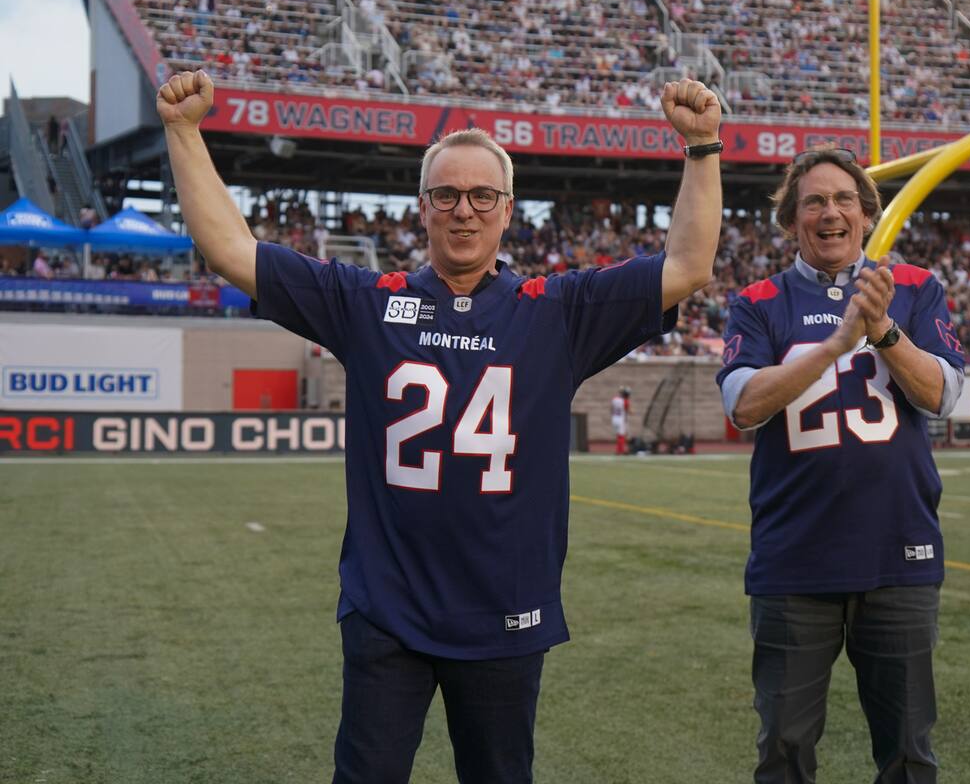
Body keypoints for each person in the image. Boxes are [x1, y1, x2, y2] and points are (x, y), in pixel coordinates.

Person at [156, 69, 723, 783]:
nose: (464, 211)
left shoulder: (556, 310)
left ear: (508, 210)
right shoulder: (366, 302)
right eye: (448, 195)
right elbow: (231, 252)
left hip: (505, 611)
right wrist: (183, 132)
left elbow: (689, 264)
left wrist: (702, 148)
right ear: (422, 207)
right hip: (387, 610)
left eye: (482, 195)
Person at [716, 147, 965, 784]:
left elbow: (941, 395)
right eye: (814, 202)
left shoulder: (911, 287)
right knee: (785, 751)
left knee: (909, 752)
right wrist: (833, 344)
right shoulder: (760, 301)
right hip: (796, 558)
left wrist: (881, 329)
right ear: (792, 221)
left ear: (866, 212)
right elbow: (744, 405)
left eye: (843, 199)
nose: (830, 212)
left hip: (898, 552)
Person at [612, 385, 631, 454]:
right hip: (621, 419)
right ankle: (620, 450)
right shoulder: (625, 401)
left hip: (614, 418)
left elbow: (611, 408)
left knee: (618, 435)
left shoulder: (614, 399)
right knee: (621, 435)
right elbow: (628, 410)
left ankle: (619, 449)